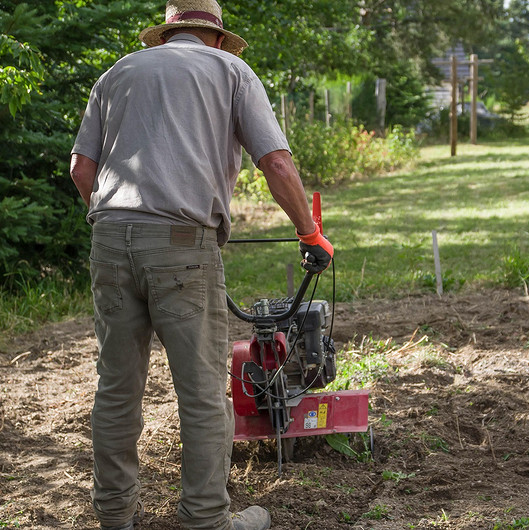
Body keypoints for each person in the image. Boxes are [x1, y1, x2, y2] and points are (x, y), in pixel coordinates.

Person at [69, 1, 333, 529]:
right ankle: (207, 519)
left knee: (116, 388)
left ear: (168, 33)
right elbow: (275, 161)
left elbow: (81, 168)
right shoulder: (230, 71)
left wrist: (119, 228)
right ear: (215, 37)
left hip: (110, 237)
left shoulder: (117, 72)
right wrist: (310, 232)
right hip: (182, 244)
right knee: (203, 393)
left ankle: (115, 516)